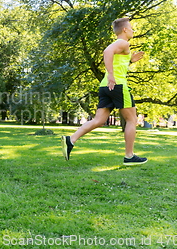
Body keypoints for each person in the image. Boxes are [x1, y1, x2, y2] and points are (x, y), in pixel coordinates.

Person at [61, 18, 148, 166]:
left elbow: (116, 59)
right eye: (131, 28)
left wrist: (130, 61)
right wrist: (112, 74)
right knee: (131, 120)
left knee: (99, 120)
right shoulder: (123, 42)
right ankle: (129, 156)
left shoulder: (121, 46)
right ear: (125, 30)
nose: (133, 30)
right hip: (118, 85)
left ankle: (71, 140)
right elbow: (107, 52)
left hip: (105, 86)